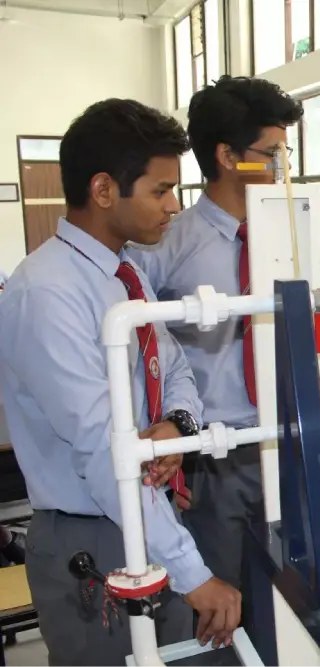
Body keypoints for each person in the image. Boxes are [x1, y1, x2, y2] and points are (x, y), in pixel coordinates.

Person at [0, 99, 241, 667]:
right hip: (93, 534)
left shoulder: (124, 273)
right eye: (161, 190)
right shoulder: (48, 292)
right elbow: (100, 448)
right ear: (104, 189)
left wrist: (175, 425)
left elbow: (175, 368)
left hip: (150, 513)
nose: (173, 206)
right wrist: (193, 573)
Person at [128, 75, 304, 589]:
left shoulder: (290, 235)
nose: (282, 167)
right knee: (220, 596)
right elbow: (141, 352)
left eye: (285, 153)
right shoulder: (166, 243)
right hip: (210, 453)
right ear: (228, 157)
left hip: (283, 439)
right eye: (270, 154)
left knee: (292, 595)